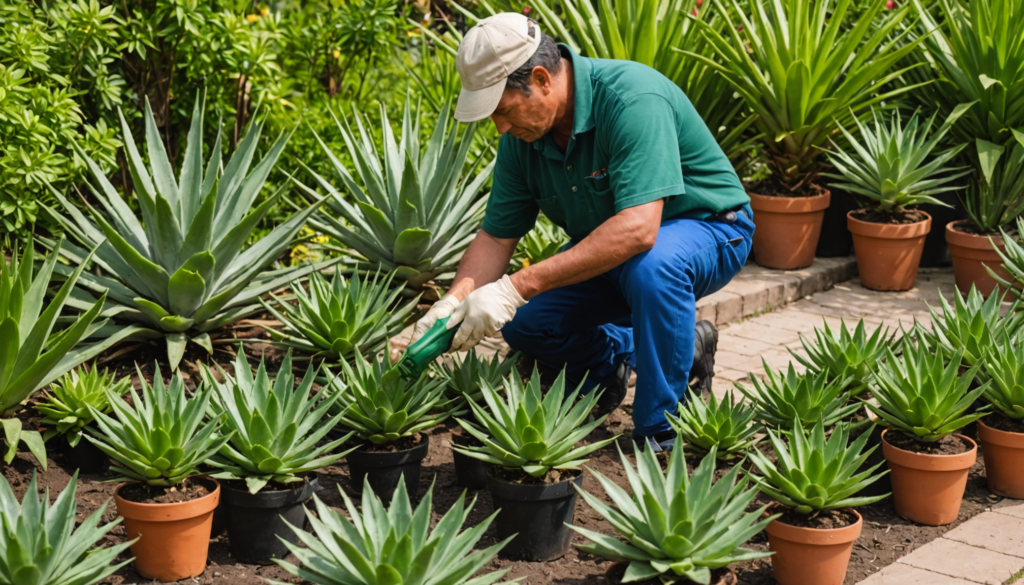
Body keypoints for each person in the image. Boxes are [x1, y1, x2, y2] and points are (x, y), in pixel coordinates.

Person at [410, 13, 754, 451]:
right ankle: (625, 359)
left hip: (708, 229)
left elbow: (638, 231)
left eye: (504, 109)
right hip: (620, 247)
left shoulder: (632, 99)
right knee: (528, 323)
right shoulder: (523, 138)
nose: (499, 127)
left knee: (653, 269)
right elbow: (497, 236)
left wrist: (514, 286)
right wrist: (454, 300)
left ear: (541, 79)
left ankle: (660, 432)